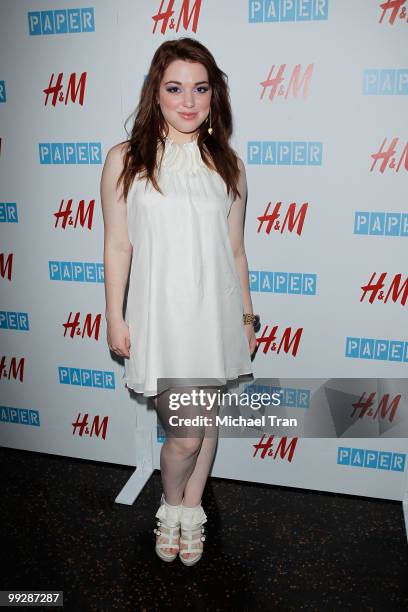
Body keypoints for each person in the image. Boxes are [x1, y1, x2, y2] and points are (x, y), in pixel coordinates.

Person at [100, 37, 257, 566]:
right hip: (161, 317)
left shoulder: (229, 167)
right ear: (156, 93)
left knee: (205, 422)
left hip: (214, 312)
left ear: (214, 95)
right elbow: (119, 244)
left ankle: (192, 512)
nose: (188, 101)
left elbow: (236, 250)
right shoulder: (125, 160)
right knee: (186, 436)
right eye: (175, 88)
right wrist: (114, 314)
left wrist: (246, 317)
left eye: (200, 88)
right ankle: (170, 504)